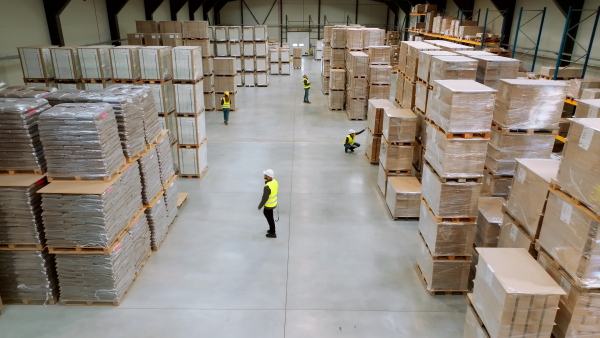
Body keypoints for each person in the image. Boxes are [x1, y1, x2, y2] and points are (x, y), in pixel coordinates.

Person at [258, 169, 279, 238]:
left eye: (265, 174)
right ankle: (271, 230)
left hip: (269, 205)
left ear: (268, 176)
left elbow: (265, 198)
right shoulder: (275, 182)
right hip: (273, 203)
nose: (264, 175)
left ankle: (273, 233)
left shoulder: (267, 187)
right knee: (270, 217)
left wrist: (260, 206)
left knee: (270, 218)